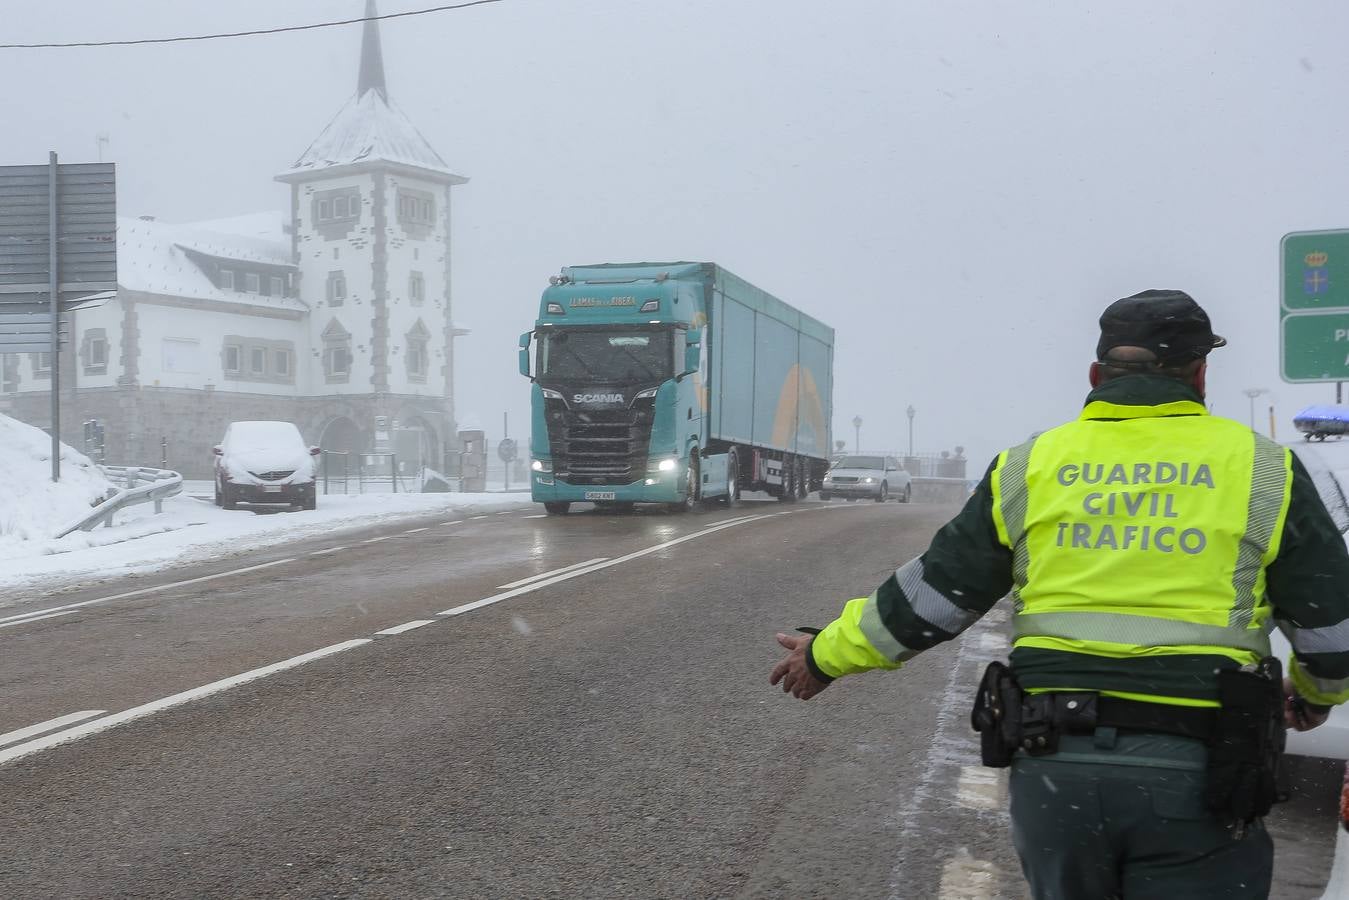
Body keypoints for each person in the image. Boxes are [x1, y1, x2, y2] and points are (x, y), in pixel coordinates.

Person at [771, 290, 1349, 899]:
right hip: (1201, 768)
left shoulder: (1031, 467)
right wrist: (1315, 694)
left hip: (1057, 766)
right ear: (1202, 374)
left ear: (1097, 375)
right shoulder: (1265, 469)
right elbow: (1333, 629)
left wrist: (822, 656)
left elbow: (931, 598)